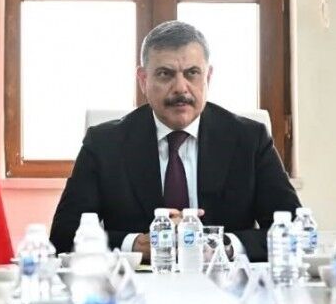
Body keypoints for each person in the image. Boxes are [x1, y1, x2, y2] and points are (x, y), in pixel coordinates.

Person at [50, 20, 301, 261]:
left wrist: (220, 244)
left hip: (224, 281)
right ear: (143, 80)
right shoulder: (104, 144)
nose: (181, 88)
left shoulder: (249, 139)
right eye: (165, 74)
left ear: (208, 77)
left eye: (192, 73)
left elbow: (293, 230)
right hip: (135, 284)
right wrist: (136, 244)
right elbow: (64, 236)